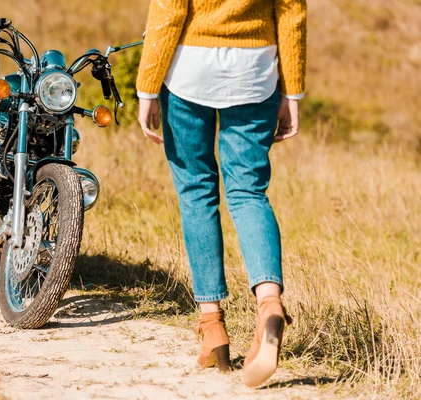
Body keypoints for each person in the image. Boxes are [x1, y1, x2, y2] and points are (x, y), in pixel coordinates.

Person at [136, 0, 306, 387]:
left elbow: (170, 10)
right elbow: (292, 12)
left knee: (196, 191)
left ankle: (211, 324)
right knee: (248, 193)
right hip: (255, 71)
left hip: (189, 70)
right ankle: (269, 302)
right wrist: (292, 92)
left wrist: (147, 87)